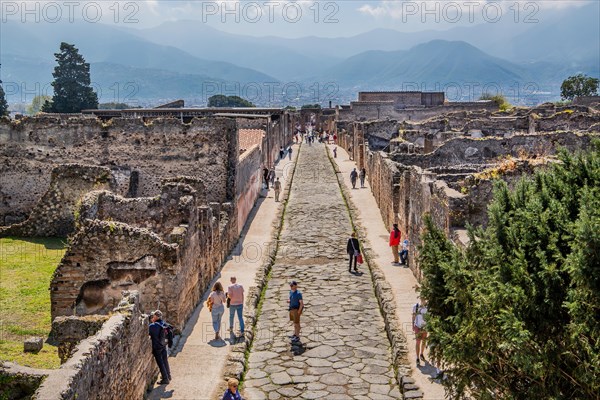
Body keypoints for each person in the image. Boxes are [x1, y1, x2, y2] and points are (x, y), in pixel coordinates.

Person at [149, 310, 172, 384]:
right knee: (165, 360)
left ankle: (165, 379)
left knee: (160, 363)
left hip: (157, 347)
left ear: (155, 316)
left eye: (153, 316)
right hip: (163, 345)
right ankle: (168, 375)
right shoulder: (164, 324)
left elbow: (148, 333)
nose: (152, 317)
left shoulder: (153, 326)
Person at [412, 300, 428, 366]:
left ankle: (421, 354)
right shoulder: (416, 306)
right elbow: (413, 316)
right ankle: (417, 358)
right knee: (418, 342)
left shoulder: (428, 307)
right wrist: (413, 325)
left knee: (424, 342)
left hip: (425, 327)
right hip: (417, 327)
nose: (423, 299)